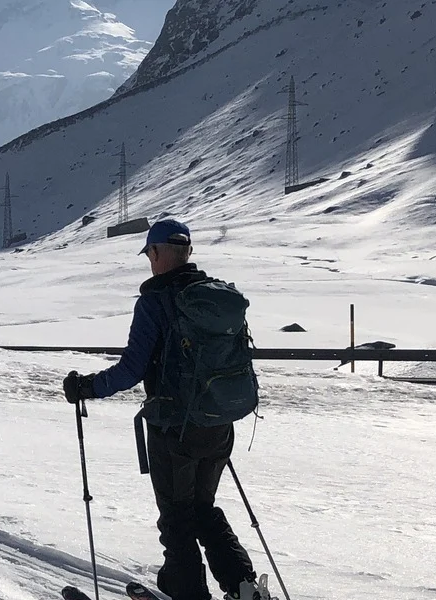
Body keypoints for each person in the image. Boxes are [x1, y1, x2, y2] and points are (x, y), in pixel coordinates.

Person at [60, 220, 277, 600]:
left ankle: (188, 593)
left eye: (149, 254)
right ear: (188, 252)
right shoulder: (216, 296)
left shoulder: (156, 302)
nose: (149, 262)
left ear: (158, 253)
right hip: (219, 424)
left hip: (174, 429)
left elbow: (131, 369)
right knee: (203, 509)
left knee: (177, 517)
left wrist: (87, 387)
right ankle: (244, 587)